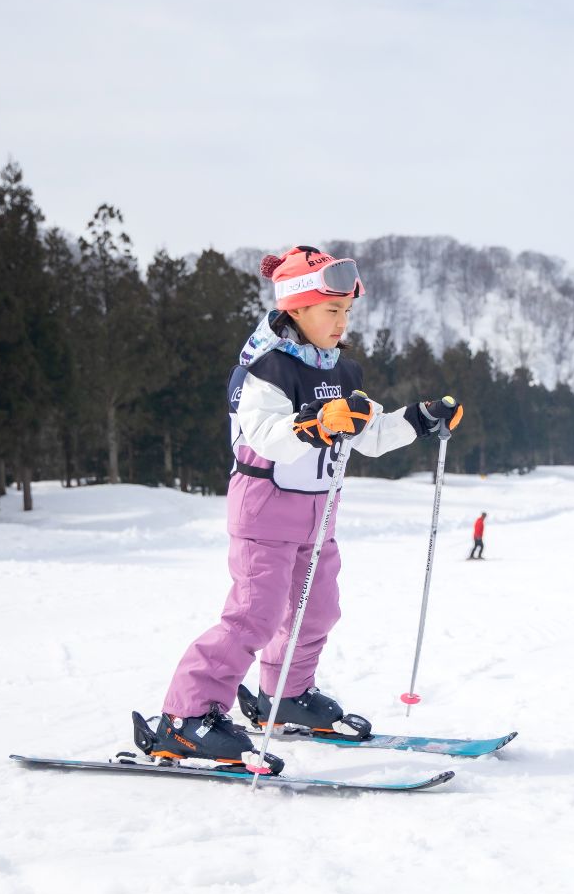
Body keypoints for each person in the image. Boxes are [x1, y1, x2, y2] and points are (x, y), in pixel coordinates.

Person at [147, 245, 464, 771]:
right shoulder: (267, 369)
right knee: (254, 616)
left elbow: (371, 433)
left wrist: (419, 418)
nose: (342, 323)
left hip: (318, 519)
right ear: (296, 308)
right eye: (331, 310)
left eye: (347, 311)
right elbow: (265, 434)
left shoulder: (340, 370)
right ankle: (187, 717)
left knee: (317, 611)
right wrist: (316, 424)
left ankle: (286, 696)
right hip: (265, 513)